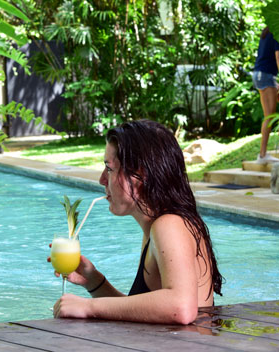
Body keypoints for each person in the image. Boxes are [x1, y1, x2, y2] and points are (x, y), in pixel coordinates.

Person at [48, 120, 223, 324]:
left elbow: (181, 308)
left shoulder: (169, 225)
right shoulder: (158, 226)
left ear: (140, 175)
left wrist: (88, 307)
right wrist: (94, 281)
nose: (102, 179)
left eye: (109, 168)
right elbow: (145, 312)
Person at [252, 26, 279, 164]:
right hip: (265, 76)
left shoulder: (268, 32)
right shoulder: (277, 33)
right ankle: (262, 155)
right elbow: (278, 57)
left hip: (265, 76)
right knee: (269, 116)